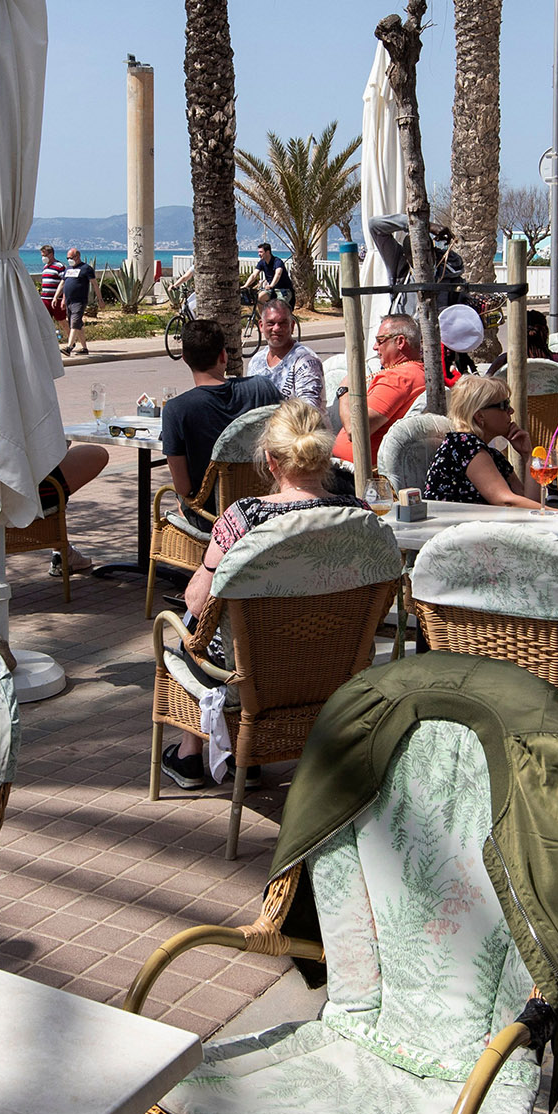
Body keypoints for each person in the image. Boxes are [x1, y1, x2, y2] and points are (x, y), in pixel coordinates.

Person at [162, 400, 362, 790]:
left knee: (190, 624)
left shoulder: (244, 518)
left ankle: (192, 753)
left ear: (270, 460)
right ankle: (238, 753)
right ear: (325, 457)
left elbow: (198, 603)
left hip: (254, 672)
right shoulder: (359, 515)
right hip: (331, 665)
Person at [162, 319, 281, 520]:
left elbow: (183, 488)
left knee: (179, 499)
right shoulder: (263, 388)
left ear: (185, 359)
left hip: (212, 518)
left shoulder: (176, 410)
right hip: (265, 509)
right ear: (223, 356)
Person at [423, 373, 545, 510]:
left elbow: (530, 504)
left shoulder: (492, 455)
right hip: (452, 522)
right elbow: (506, 501)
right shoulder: (464, 446)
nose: (511, 411)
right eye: (504, 405)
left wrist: (528, 455)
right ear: (480, 416)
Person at [331, 312, 427, 470]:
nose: (375, 347)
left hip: (355, 472)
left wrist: (344, 391)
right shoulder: (419, 372)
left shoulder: (398, 378)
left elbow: (355, 430)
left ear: (400, 342)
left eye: (380, 340)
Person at [244, 297, 323, 408]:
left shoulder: (305, 361)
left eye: (283, 323)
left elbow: (309, 410)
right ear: (261, 326)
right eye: (271, 323)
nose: (276, 328)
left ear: (292, 326)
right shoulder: (256, 361)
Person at [53, 247, 96, 356]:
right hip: (69, 301)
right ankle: (84, 348)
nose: (69, 260)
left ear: (77, 256)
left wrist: (100, 299)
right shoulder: (68, 269)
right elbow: (62, 284)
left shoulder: (86, 268)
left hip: (79, 301)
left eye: (71, 257)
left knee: (74, 323)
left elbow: (95, 284)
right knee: (78, 325)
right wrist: (56, 297)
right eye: (67, 258)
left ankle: (69, 347)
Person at [38, 245, 66, 329]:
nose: (43, 258)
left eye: (45, 255)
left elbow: (64, 282)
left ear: (51, 254)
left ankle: (70, 336)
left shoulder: (59, 266)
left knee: (62, 321)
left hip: (56, 299)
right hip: (45, 299)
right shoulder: (45, 267)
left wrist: (61, 298)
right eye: (42, 256)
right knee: (45, 322)